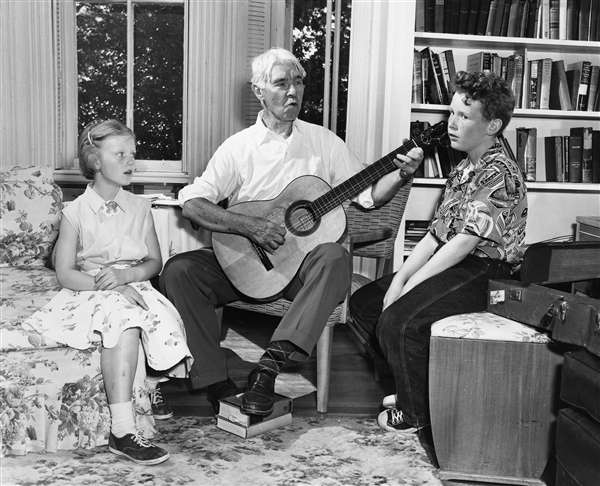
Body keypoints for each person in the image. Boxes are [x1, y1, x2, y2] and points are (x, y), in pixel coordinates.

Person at [159, 47, 424, 417]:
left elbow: (368, 197)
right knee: (179, 271)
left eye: (298, 82)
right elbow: (193, 203)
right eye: (281, 83)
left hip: (301, 273)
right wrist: (250, 225)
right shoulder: (238, 148)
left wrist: (401, 173)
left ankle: (268, 368)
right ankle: (214, 382)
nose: (293, 92)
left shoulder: (323, 142)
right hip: (248, 264)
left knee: (334, 257)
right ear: (259, 92)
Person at [349, 71, 528, 434]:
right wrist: (399, 278)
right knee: (366, 304)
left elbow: (464, 242)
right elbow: (436, 235)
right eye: (451, 113)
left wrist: (411, 284)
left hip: (489, 271)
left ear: (492, 125)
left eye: (464, 116)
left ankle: (414, 414)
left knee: (400, 320)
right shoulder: (462, 169)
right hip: (457, 260)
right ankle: (404, 388)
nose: (452, 123)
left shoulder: (499, 171)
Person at [25, 119, 193, 465]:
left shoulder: (140, 208)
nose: (131, 161)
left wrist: (127, 276)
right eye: (121, 154)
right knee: (124, 319)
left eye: (133, 154)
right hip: (89, 289)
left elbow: (154, 262)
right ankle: (122, 430)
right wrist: (110, 285)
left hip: (132, 283)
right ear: (96, 161)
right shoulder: (75, 212)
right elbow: (66, 273)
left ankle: (149, 387)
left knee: (163, 318)